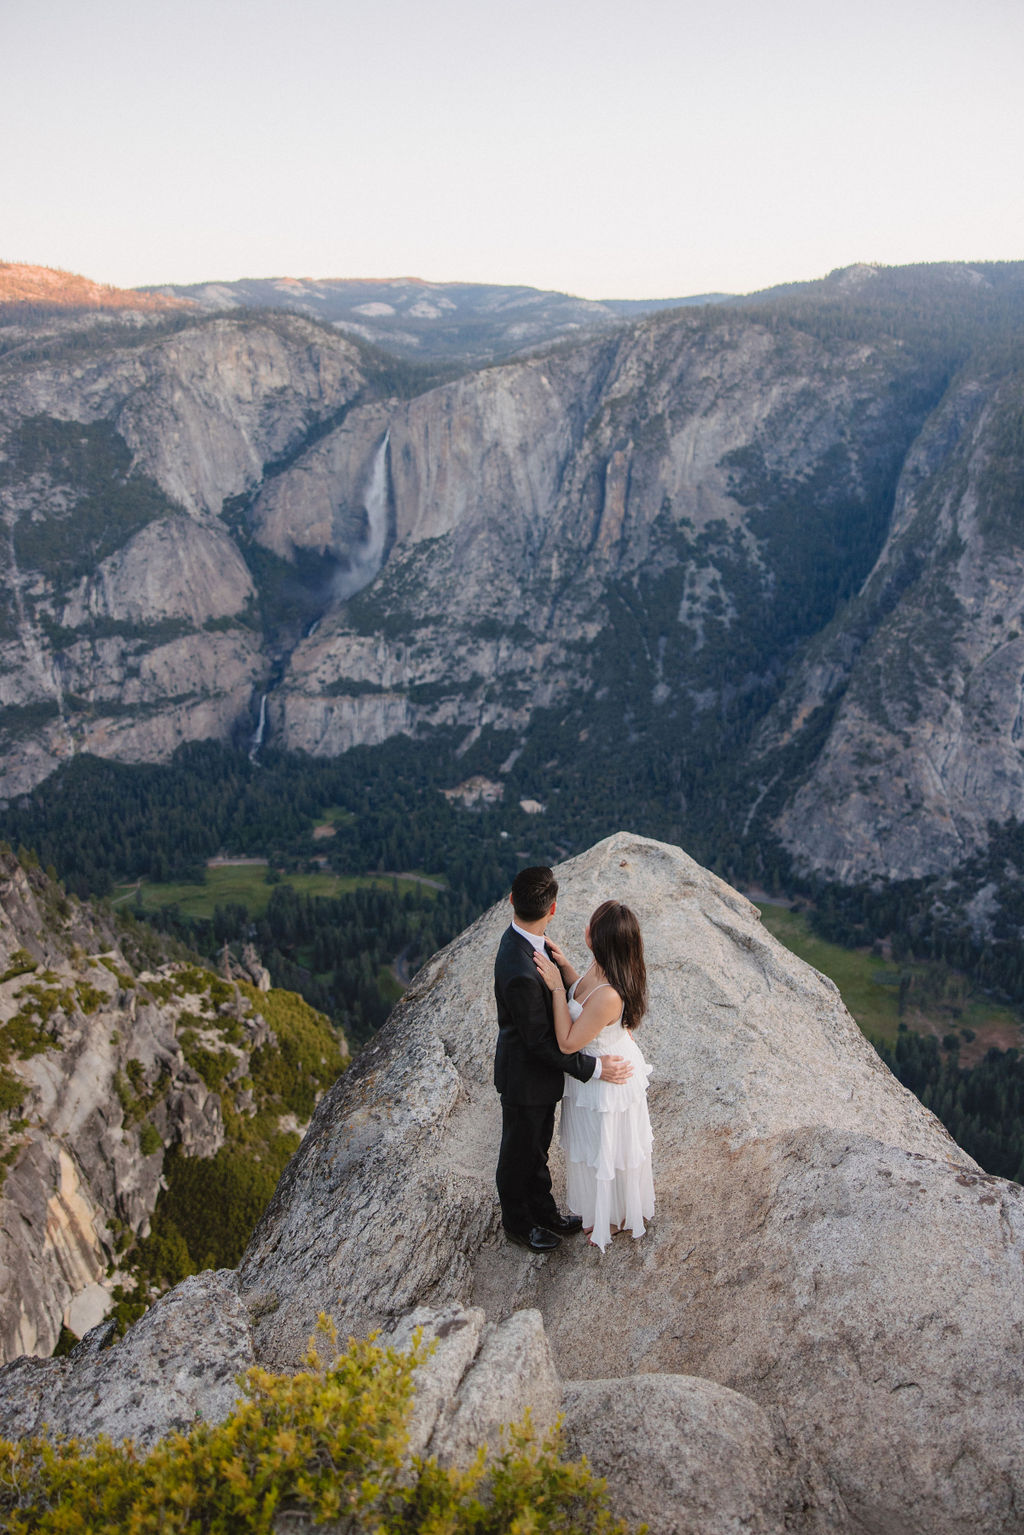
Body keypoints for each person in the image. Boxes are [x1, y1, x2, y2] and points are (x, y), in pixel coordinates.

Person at [494, 866, 634, 1253]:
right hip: (524, 1078)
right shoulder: (518, 967)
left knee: (537, 1148)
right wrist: (595, 1068)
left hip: (539, 1080)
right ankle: (518, 1224)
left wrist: (563, 972)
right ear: (553, 908)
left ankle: (543, 1209)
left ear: (511, 901)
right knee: (517, 1154)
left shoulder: (534, 944)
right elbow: (540, 1043)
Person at [533, 900, 654, 1251]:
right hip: (596, 1074)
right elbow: (582, 995)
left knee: (607, 1148)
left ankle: (615, 1217)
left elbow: (569, 1042)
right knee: (596, 1145)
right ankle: (606, 1211)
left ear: (596, 940)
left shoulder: (610, 996)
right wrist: (565, 968)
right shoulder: (602, 967)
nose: (586, 929)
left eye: (591, 927)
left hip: (607, 1081)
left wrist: (556, 988)